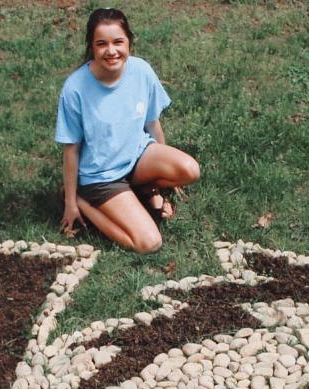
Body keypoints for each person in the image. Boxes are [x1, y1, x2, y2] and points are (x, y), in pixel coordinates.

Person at [54, 8, 200, 253]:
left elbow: (152, 123)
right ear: (91, 46)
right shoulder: (75, 88)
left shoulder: (141, 71)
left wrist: (163, 174)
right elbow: (71, 149)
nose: (111, 51)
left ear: (129, 42)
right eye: (102, 44)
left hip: (136, 157)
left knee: (190, 169)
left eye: (118, 42)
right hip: (101, 177)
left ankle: (144, 188)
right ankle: (83, 201)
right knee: (149, 243)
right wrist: (71, 203)